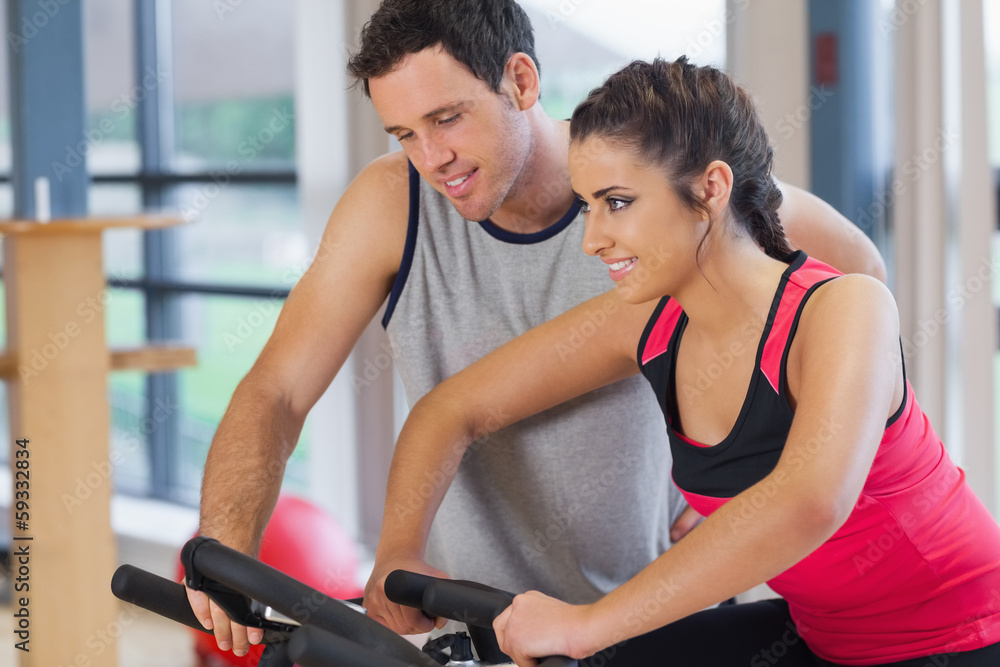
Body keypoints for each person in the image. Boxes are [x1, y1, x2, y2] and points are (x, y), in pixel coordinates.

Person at [186, 0, 887, 658]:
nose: (432, 159)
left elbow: (854, 270)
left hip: (655, 619)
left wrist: (748, 467)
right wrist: (223, 544)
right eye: (405, 133)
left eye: (448, 118)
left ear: (520, 80)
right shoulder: (388, 204)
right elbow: (278, 390)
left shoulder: (641, 180)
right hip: (482, 624)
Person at [368, 56, 1000, 666]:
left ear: (711, 187)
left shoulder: (845, 308)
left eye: (616, 202)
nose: (592, 239)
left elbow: (807, 501)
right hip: (823, 637)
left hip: (960, 638)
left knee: (588, 644)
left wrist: (588, 623)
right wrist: (398, 553)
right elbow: (452, 407)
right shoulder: (652, 321)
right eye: (587, 205)